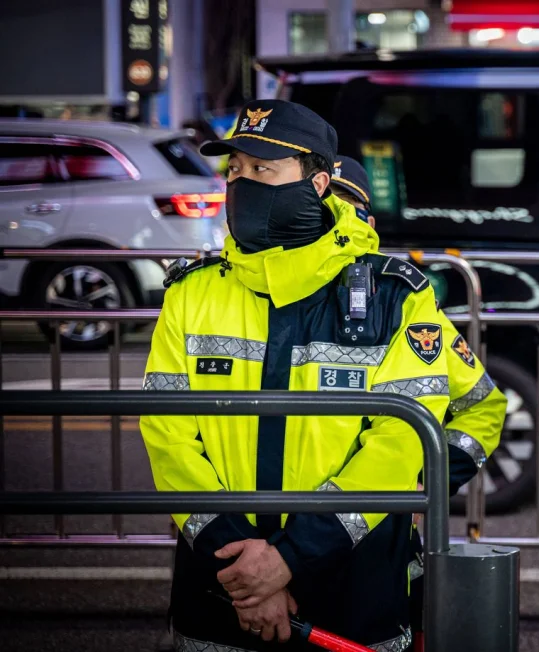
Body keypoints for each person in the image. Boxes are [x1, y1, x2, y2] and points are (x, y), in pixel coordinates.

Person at [141, 100, 447, 651]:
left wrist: (287, 560)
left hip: (349, 582)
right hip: (221, 584)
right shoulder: (191, 293)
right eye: (236, 170)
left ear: (320, 183)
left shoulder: (396, 296)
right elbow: (168, 435)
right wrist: (247, 573)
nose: (244, 183)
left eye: (264, 170)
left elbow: (400, 445)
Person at [329, 156, 508, 651]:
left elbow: (483, 404)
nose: (333, 214)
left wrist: (422, 480)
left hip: (373, 548)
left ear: (367, 219)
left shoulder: (400, 301)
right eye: (325, 201)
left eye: (347, 204)